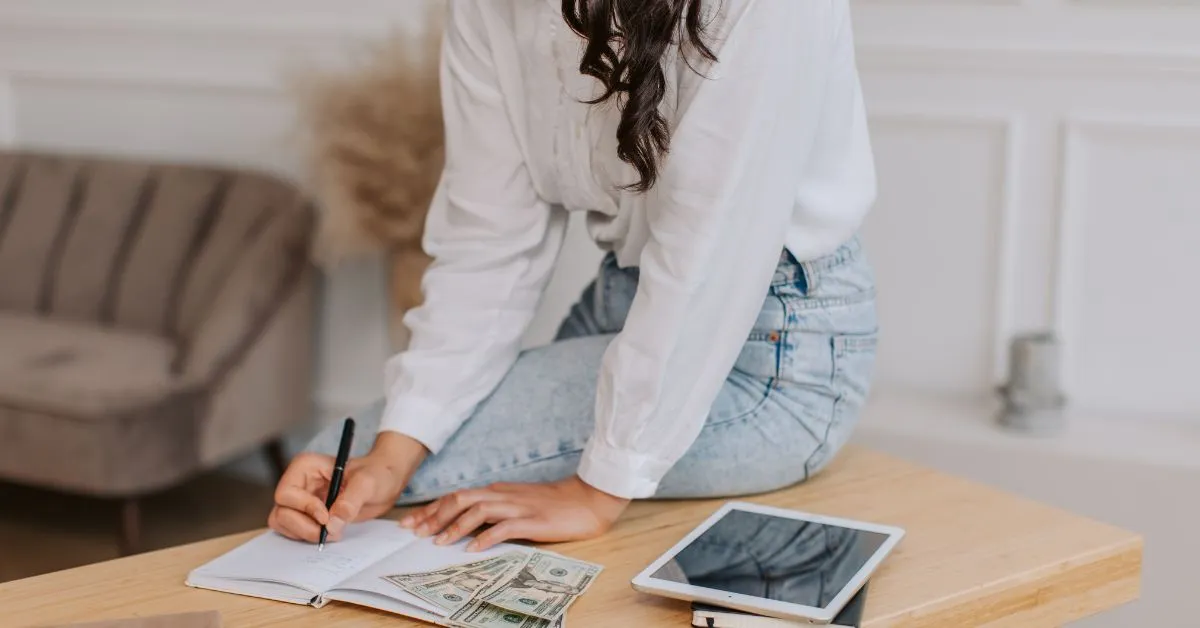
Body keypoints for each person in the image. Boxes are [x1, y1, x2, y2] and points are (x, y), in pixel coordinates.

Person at [269, 0, 880, 553]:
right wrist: (396, 449)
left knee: (349, 468)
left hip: (773, 358)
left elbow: (708, 264)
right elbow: (488, 244)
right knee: (349, 471)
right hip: (627, 303)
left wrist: (598, 492)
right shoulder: (490, 10)